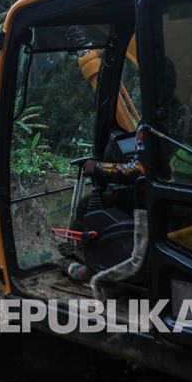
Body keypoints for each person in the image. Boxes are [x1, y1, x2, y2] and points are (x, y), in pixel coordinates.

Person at [66, 125, 147, 300]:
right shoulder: (181, 116)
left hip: (149, 197)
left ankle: (92, 268)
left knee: (86, 205)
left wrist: (98, 168)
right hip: (174, 190)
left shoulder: (151, 122)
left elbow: (139, 169)